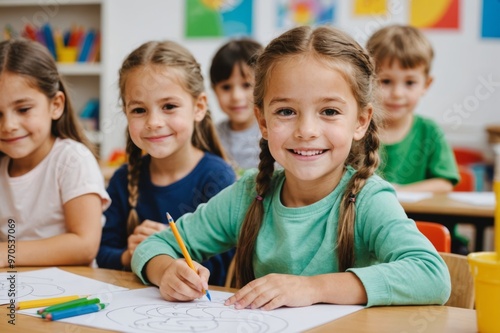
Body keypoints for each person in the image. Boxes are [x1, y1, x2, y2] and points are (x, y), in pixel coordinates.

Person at [131, 26, 450, 309]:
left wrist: (313, 288)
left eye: (329, 111)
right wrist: (166, 271)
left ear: (361, 121)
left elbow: (431, 275)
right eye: (285, 111)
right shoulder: (249, 194)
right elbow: (155, 245)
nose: (306, 130)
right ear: (262, 121)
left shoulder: (368, 199)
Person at [96, 40, 236, 287]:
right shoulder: (123, 179)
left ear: (199, 107)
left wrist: (168, 246)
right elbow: (102, 253)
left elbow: (227, 268)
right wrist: (130, 255)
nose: (154, 122)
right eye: (139, 110)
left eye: (169, 106)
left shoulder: (218, 178)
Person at [0, 39, 110, 267]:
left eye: (23, 109)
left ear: (56, 105)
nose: (8, 125)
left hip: (69, 293)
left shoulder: (72, 160)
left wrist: (6, 253)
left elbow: (85, 246)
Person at [366, 24, 459, 192]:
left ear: (426, 84)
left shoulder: (429, 131)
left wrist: (397, 191)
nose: (397, 93)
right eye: (386, 81)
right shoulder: (357, 129)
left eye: (410, 83)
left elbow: (444, 184)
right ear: (368, 80)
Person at [210, 38, 263, 172]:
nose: (236, 96)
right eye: (226, 87)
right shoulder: (212, 136)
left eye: (246, 85)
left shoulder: (274, 134)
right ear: (214, 90)